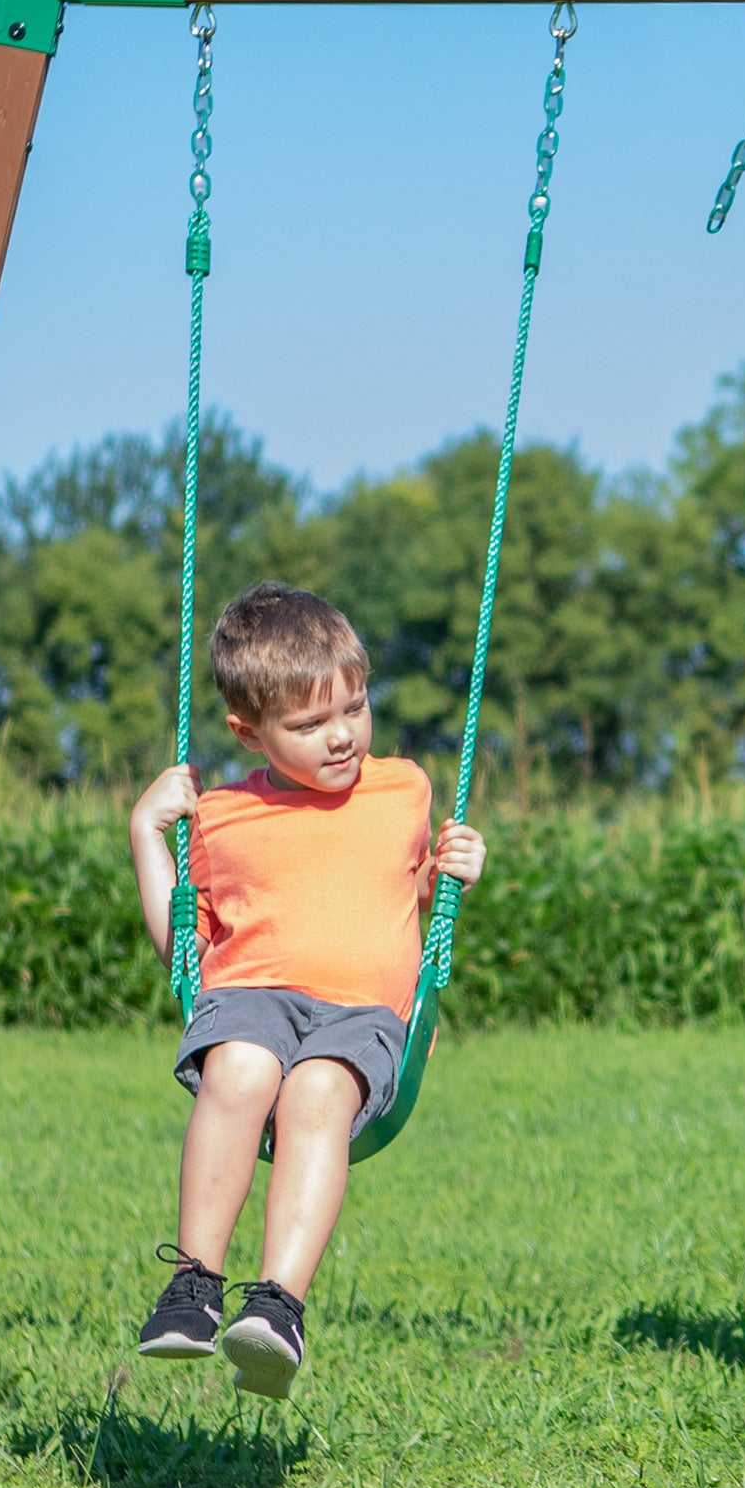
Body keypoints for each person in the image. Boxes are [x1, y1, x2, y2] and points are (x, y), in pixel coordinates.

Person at [125, 582, 485, 1398]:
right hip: (249, 997)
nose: (342, 737)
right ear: (247, 731)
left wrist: (455, 872)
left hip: (361, 1017)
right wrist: (148, 833)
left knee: (318, 1090)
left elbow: (413, 893)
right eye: (310, 724)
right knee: (243, 1068)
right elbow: (183, 944)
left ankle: (278, 1307)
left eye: (354, 710)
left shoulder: (404, 791)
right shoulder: (220, 815)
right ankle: (193, 1287)